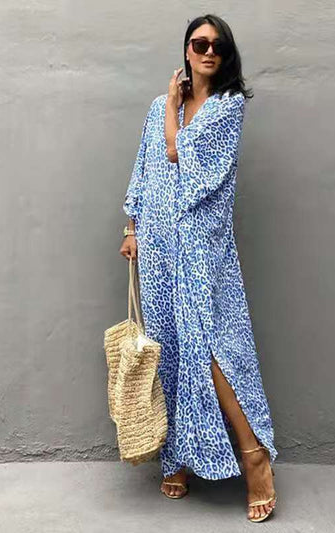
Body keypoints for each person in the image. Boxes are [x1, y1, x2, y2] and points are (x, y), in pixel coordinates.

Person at [119, 14, 277, 523]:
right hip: (158, 243)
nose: (208, 51)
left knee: (211, 348)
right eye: (199, 43)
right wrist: (132, 226)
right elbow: (147, 164)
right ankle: (179, 458)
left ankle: (254, 457)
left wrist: (172, 106)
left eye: (217, 45)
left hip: (202, 246)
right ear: (186, 50)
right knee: (170, 348)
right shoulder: (156, 108)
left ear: (225, 54)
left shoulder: (227, 107)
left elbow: (177, 153)